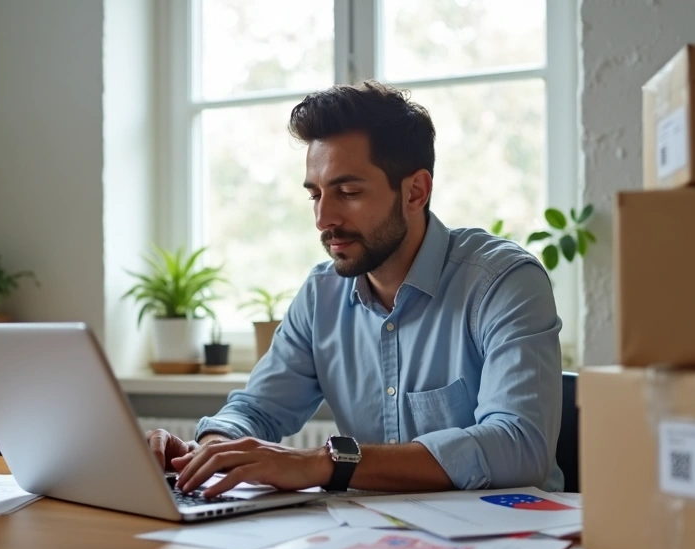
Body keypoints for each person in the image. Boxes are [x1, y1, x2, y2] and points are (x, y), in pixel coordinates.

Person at [146, 80, 562, 498]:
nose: (324, 218)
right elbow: (256, 409)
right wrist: (210, 452)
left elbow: (519, 448)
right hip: (369, 542)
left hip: (505, 543)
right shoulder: (320, 296)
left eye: (348, 192)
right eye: (315, 195)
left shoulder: (504, 282)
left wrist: (325, 463)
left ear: (415, 191)